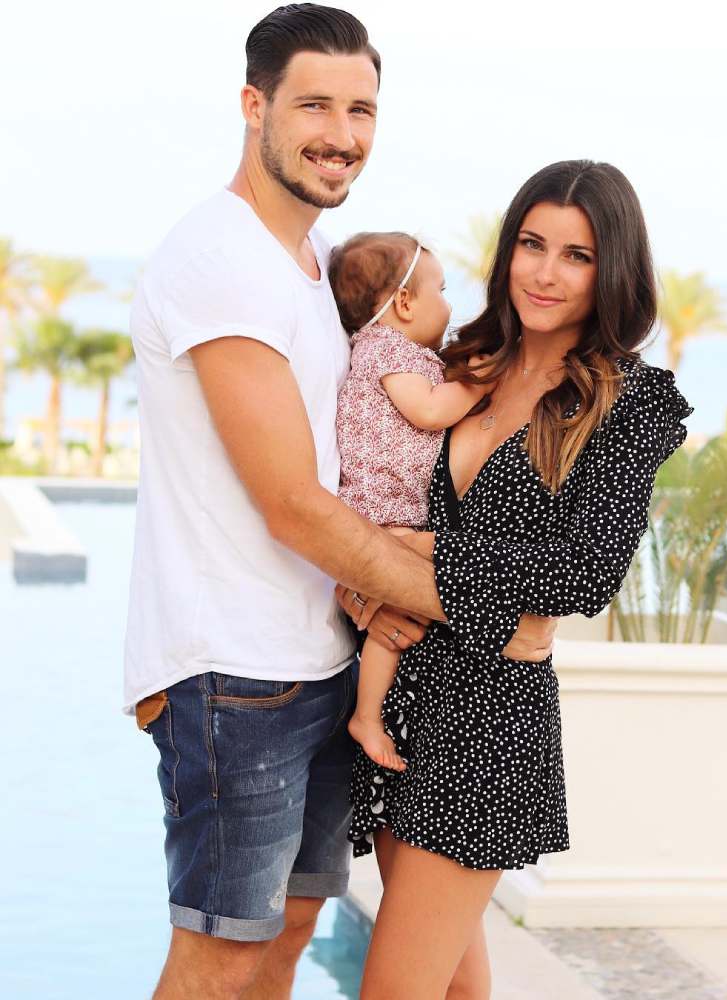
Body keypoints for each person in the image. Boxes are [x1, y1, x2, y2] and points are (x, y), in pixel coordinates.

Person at [124, 6, 555, 998]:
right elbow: (291, 503)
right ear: (253, 105)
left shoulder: (312, 269)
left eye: (360, 108)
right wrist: (475, 604)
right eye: (313, 103)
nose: (340, 132)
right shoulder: (219, 261)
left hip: (313, 658)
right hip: (231, 673)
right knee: (224, 952)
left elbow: (351, 461)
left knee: (289, 934)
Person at [344, 159, 693, 1000]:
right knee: (456, 988)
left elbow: (581, 574)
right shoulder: (462, 361)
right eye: (531, 244)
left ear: (613, 271)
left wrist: (421, 554)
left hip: (486, 724)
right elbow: (358, 482)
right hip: (395, 703)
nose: (544, 272)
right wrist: (364, 586)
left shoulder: (628, 401)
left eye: (576, 255)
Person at [329, 232, 494, 771]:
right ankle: (367, 717)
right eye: (441, 289)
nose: (449, 305)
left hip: (391, 507)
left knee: (397, 620)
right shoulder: (385, 350)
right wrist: (479, 383)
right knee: (393, 623)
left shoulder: (401, 352)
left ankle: (371, 714)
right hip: (381, 510)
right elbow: (427, 411)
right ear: (404, 302)